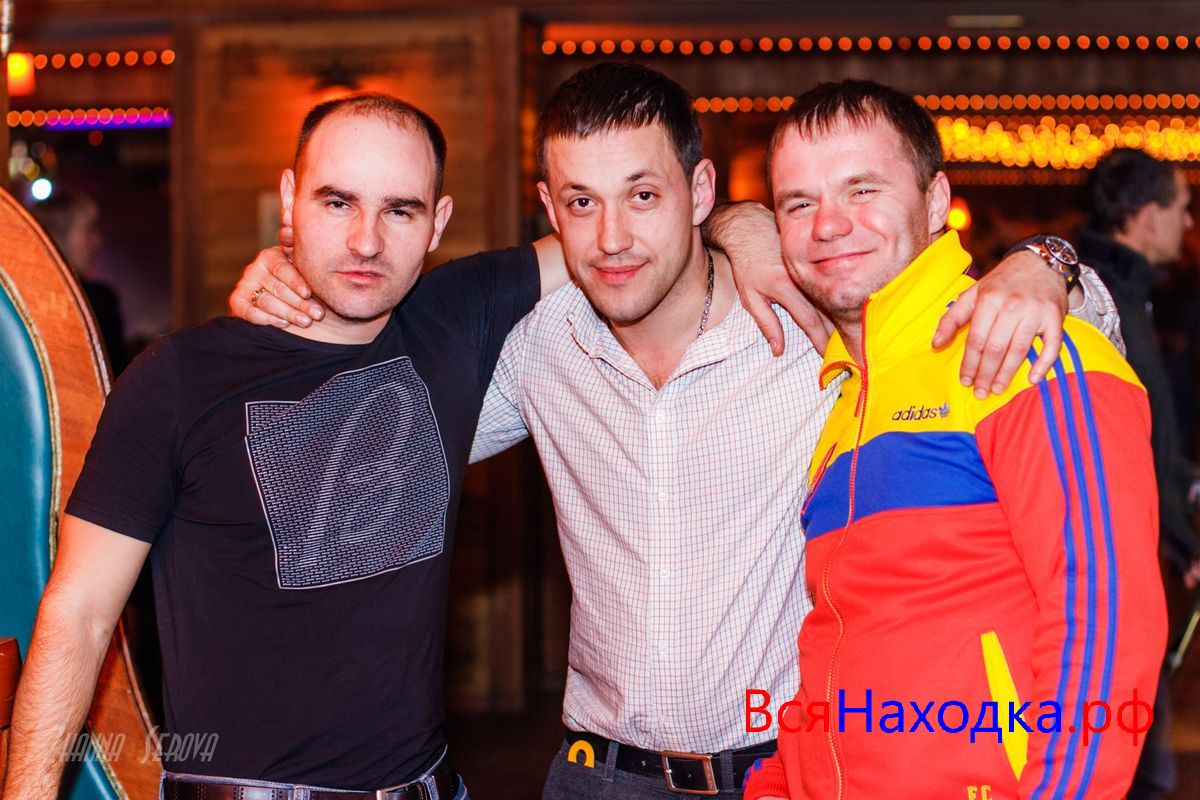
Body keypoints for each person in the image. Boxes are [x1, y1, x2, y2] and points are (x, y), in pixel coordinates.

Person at [237, 64, 1123, 799]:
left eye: (643, 195)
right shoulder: (536, 350)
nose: (612, 238)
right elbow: (350, 445)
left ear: (699, 191)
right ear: (549, 207)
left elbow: (1038, 332)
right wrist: (303, 282)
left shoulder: (809, 325)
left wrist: (1046, 266)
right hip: (595, 775)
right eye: (582, 202)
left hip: (782, 771)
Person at [3, 93, 567, 799]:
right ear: (291, 200)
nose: (366, 241)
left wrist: (713, 210)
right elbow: (79, 613)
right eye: (337, 203)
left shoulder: (456, 316)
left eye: (400, 210)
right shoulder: (179, 379)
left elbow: (618, 232)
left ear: (437, 223)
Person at [744, 79, 1166, 800]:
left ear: (936, 200)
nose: (829, 225)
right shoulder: (843, 398)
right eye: (799, 203)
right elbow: (839, 633)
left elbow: (1104, 623)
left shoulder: (1030, 349)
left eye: (861, 189)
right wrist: (779, 783)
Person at [1079, 148, 1199, 800]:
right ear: (1148, 216)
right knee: (1138, 768)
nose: (1190, 222)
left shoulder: (1130, 292)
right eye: (1183, 208)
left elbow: (1152, 435)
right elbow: (1122, 447)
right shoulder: (1090, 297)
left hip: (1131, 553)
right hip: (1105, 566)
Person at [32, 189, 129, 374]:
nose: (97, 241)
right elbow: (115, 379)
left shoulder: (21, 299)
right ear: (57, 237)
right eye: (89, 230)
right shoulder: (98, 300)